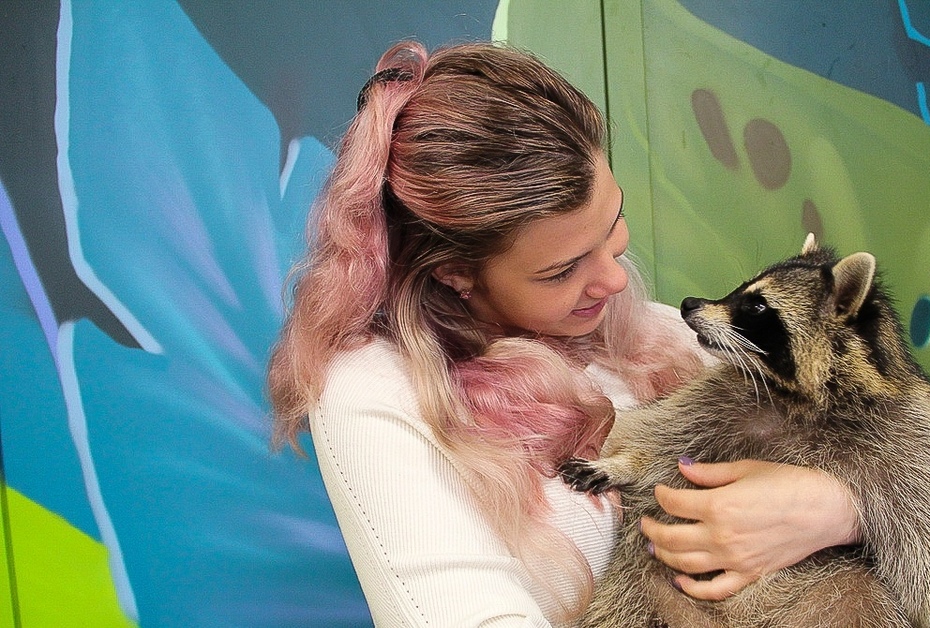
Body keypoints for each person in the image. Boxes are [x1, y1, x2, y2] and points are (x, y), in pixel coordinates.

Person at [268, 40, 860, 626]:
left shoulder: (651, 338)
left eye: (614, 223)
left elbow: (887, 461)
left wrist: (833, 509)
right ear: (454, 273)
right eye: (562, 270)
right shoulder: (375, 391)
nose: (611, 278)